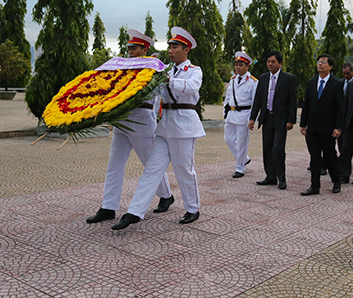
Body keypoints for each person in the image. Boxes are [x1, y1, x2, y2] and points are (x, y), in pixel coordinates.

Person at [112, 27, 205, 230]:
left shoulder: (194, 71)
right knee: (152, 170)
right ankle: (134, 212)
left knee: (184, 170)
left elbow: (192, 88)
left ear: (186, 49)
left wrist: (170, 80)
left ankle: (192, 208)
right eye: (169, 47)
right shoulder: (164, 70)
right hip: (165, 126)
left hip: (184, 126)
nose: (171, 51)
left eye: (175, 47)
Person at [86, 29, 169, 224]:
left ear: (144, 49)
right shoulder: (121, 66)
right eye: (129, 48)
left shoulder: (153, 68)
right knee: (114, 165)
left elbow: (158, 92)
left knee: (150, 164)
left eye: (134, 48)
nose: (130, 51)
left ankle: (166, 195)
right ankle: (108, 207)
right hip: (121, 121)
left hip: (141, 120)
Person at [249, 51, 297, 190]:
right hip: (267, 118)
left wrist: (291, 120)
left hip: (281, 119)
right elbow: (257, 100)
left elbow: (292, 101)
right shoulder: (263, 78)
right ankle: (270, 176)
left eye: (273, 62)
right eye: (268, 61)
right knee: (267, 148)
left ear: (280, 63)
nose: (270, 64)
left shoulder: (288, 79)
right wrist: (253, 118)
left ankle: (281, 178)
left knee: (278, 148)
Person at [300, 55, 344, 195]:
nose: (320, 64)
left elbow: (340, 107)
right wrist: (303, 124)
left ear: (330, 66)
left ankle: (337, 181)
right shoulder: (312, 82)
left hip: (328, 128)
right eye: (319, 62)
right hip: (312, 127)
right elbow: (306, 105)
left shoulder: (336, 83)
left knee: (330, 156)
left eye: (323, 62)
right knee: (314, 157)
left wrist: (338, 127)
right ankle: (315, 186)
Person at [223, 52, 258, 178]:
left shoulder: (253, 82)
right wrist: (224, 113)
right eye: (236, 65)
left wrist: (253, 119)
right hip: (231, 114)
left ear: (247, 67)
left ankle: (240, 168)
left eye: (241, 65)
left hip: (244, 115)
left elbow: (256, 102)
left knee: (242, 143)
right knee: (228, 138)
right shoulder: (232, 80)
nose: (237, 67)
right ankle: (245, 158)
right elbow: (227, 98)